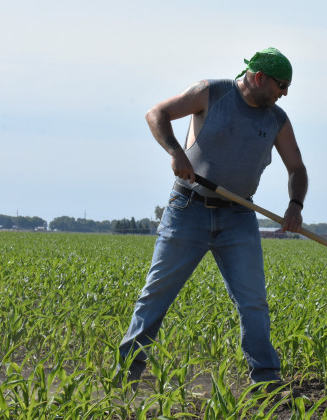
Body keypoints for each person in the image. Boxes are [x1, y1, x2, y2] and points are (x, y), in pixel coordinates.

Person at [118, 47, 307, 388]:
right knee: (155, 295)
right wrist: (176, 153)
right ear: (259, 77)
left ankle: (266, 381)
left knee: (253, 302)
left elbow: (297, 167)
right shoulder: (212, 92)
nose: (285, 93)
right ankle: (125, 375)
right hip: (187, 210)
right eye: (281, 85)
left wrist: (295, 204)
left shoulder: (276, 120)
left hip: (239, 216)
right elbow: (156, 113)